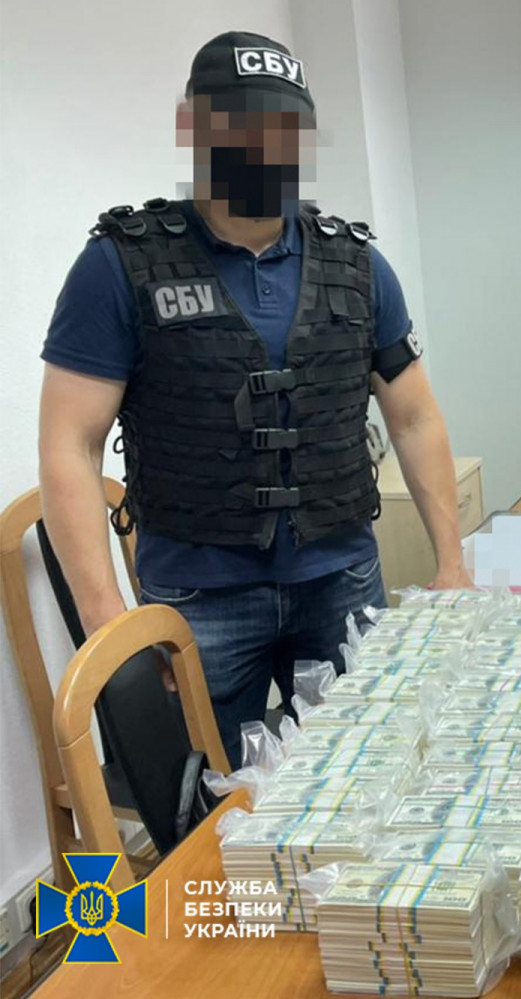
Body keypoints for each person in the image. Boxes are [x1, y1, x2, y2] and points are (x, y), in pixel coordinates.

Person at [38, 31, 472, 767]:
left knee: (365, 778)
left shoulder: (357, 266)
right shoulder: (120, 266)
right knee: (212, 803)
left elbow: (415, 416)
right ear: (195, 126)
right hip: (197, 600)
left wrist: (451, 562)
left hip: (341, 580)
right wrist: (111, 623)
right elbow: (69, 446)